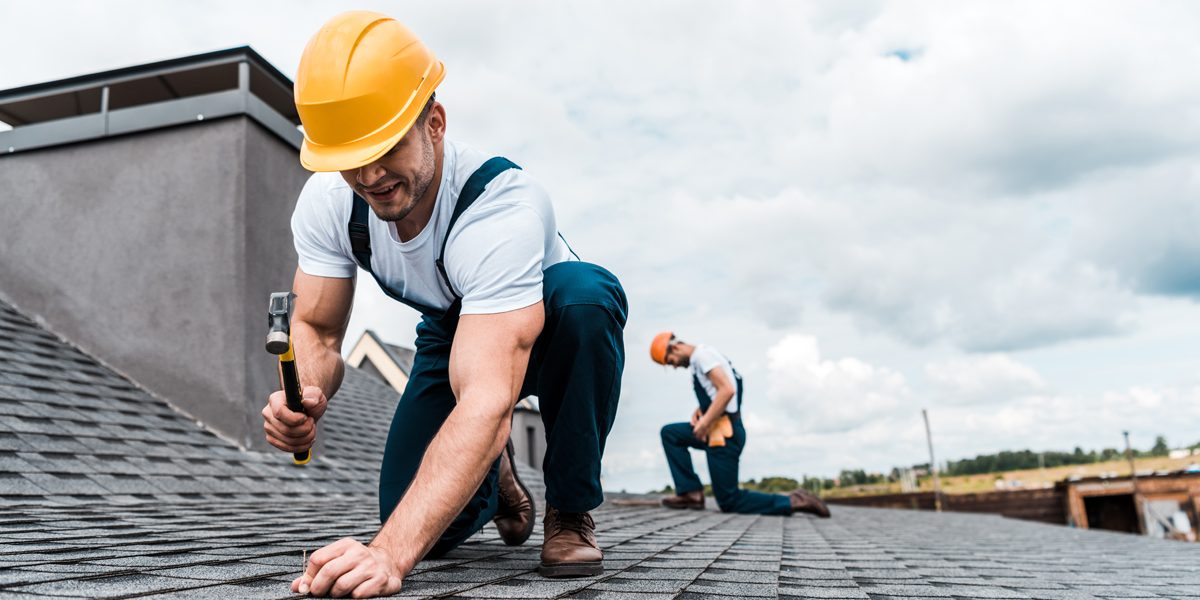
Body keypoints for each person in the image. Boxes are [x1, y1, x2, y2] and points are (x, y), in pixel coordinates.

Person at [260, 12, 627, 597]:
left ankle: (569, 511)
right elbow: (316, 329)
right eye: (353, 157)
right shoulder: (330, 202)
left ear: (434, 123)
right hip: (451, 328)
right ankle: (498, 475)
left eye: (385, 147)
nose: (371, 174)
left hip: (545, 312)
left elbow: (486, 396)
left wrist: (387, 556)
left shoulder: (500, 207)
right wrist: (305, 396)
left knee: (588, 299)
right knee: (416, 511)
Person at [649, 332, 829, 518]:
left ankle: (794, 501)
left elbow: (727, 390)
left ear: (676, 347)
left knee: (729, 500)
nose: (675, 366)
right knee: (671, 434)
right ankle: (690, 493)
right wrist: (702, 410)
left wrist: (704, 424)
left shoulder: (703, 357)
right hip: (717, 430)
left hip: (725, 435)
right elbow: (720, 389)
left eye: (671, 361)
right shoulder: (703, 357)